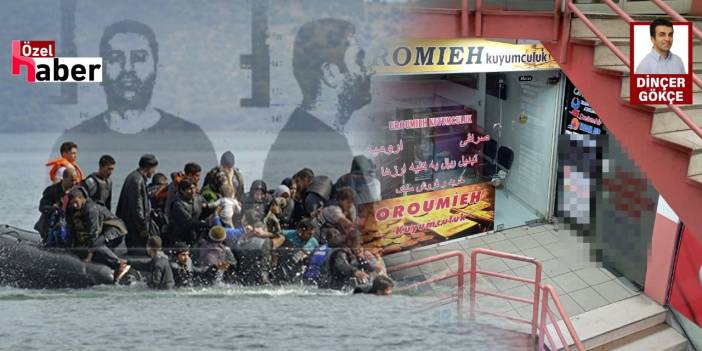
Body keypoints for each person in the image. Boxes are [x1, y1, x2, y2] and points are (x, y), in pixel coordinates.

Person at [50, 19, 216, 187]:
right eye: (116, 58)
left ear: (156, 68)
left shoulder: (193, 136)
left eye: (139, 58)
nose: (128, 68)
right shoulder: (79, 133)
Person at [262, 18, 372, 185]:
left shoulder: (324, 138)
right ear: (330, 74)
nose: (368, 70)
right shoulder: (304, 148)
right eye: (358, 60)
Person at [66, 187, 131, 283]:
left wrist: (89, 256)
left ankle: (119, 264)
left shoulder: (91, 209)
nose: (75, 205)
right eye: (72, 203)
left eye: (76, 202)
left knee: (96, 244)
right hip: (105, 231)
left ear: (81, 198)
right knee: (94, 245)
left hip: (116, 229)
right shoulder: (78, 208)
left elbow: (93, 233)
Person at [116, 154, 158, 254]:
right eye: (154, 169)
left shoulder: (136, 177)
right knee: (138, 255)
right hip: (135, 229)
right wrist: (143, 230)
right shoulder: (137, 180)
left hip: (133, 227)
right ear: (149, 167)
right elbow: (137, 208)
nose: (154, 172)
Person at [35, 168, 77, 243]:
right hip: (48, 225)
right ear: (64, 178)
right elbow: (41, 207)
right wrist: (54, 208)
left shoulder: (75, 192)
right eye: (72, 180)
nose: (74, 183)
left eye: (75, 180)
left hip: (66, 226)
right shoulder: (51, 190)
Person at [167, 178, 208, 247]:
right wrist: (205, 224)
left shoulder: (199, 198)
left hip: (198, 235)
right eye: (189, 189)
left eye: (194, 188)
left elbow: (207, 208)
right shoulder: (177, 204)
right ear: (182, 190)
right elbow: (188, 221)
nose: (192, 191)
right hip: (181, 237)